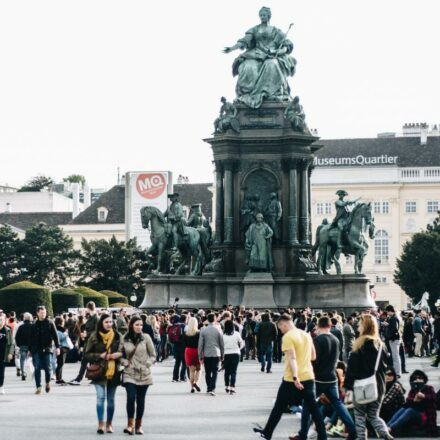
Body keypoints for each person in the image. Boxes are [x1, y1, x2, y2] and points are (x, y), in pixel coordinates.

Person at [253, 314, 327, 440]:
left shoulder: (288, 337)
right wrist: (303, 360)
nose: (280, 330)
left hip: (291, 378)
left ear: (284, 324)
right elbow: (313, 356)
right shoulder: (305, 334)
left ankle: (268, 432)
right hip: (308, 375)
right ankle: (323, 436)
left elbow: (292, 358)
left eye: (280, 327)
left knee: (279, 406)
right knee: (314, 409)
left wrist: (295, 377)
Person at [298, 317, 356, 440]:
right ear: (330, 326)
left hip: (318, 379)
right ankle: (352, 429)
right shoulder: (336, 340)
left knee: (307, 404)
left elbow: (314, 360)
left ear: (319, 326)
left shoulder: (317, 340)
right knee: (338, 404)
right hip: (332, 378)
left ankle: (303, 433)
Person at [344, 314, 392, 440]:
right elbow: (387, 366)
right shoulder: (381, 345)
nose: (358, 327)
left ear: (364, 327)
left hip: (361, 386)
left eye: (359, 324)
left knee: (359, 415)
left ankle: (361, 438)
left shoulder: (358, 345)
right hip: (378, 386)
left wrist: (347, 386)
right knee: (374, 415)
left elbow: (351, 369)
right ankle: (385, 434)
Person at [85, 313, 123, 434]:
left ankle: (109, 424)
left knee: (111, 400)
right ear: (101, 323)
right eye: (106, 322)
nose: (108, 324)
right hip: (99, 371)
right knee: (100, 398)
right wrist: (99, 356)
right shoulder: (94, 336)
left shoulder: (117, 336)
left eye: (110, 322)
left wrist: (119, 354)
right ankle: (100, 423)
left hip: (113, 371)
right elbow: (86, 354)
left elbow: (123, 351)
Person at [121, 316, 156, 435]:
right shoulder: (124, 338)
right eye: (137, 325)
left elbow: (153, 355)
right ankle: (130, 425)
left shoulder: (146, 337)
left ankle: (138, 425)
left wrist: (148, 363)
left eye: (141, 325)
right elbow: (120, 354)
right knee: (131, 397)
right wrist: (123, 361)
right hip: (129, 372)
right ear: (131, 325)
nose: (139, 327)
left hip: (144, 373)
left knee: (140, 400)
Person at [387, 369, 438, 437]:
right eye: (415, 378)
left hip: (425, 417)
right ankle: (387, 427)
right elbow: (407, 402)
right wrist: (414, 400)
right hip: (416, 417)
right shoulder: (413, 390)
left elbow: (434, 398)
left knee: (410, 411)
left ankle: (391, 428)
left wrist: (424, 396)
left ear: (424, 379)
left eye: (420, 378)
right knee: (403, 409)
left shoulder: (429, 388)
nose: (417, 380)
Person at [29, 305, 60, 394]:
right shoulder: (34, 324)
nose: (43, 314)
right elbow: (31, 338)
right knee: (37, 367)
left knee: (48, 367)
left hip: (47, 348)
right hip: (36, 349)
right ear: (37, 313)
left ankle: (47, 382)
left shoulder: (50, 322)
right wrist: (29, 349)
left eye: (44, 312)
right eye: (42, 313)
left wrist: (58, 347)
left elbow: (55, 335)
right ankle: (38, 386)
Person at [69, 301, 98, 385]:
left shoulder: (95, 318)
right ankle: (90, 378)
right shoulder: (92, 317)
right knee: (87, 362)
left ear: (88, 308)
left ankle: (79, 379)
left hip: (92, 343)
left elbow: (96, 331)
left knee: (86, 362)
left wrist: (86, 334)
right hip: (88, 342)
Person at [198, 313, 224, 396]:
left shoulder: (203, 329)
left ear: (207, 320)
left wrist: (200, 355)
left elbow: (200, 344)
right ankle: (212, 388)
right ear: (215, 319)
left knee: (207, 372)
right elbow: (222, 344)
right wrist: (222, 355)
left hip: (206, 353)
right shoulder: (219, 329)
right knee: (215, 371)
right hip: (216, 353)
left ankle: (209, 387)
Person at [223, 319, 244, 394]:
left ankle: (226, 386)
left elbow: (221, 346)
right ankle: (232, 387)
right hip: (235, 353)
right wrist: (239, 348)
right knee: (233, 371)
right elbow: (242, 343)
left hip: (226, 353)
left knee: (227, 371)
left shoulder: (223, 335)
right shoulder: (237, 334)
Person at [184, 317, 201, 393]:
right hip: (197, 351)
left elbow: (184, 344)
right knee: (198, 369)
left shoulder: (186, 333)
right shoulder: (199, 333)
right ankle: (195, 383)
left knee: (191, 371)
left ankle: (192, 386)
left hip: (189, 351)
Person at [14, 312, 33, 381]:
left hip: (23, 345)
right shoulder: (33, 326)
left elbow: (17, 337)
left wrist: (19, 344)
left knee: (22, 359)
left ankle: (23, 373)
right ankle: (33, 371)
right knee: (32, 359)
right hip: (32, 346)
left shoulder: (21, 327)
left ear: (24, 318)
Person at [168, 314, 187, 382]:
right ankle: (182, 377)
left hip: (175, 345)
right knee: (184, 362)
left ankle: (175, 377)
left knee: (177, 362)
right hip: (183, 346)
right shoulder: (183, 326)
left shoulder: (172, 327)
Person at [384, 305, 401, 377]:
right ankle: (397, 372)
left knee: (395, 356)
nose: (387, 313)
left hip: (394, 339)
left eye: (388, 311)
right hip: (394, 339)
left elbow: (395, 329)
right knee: (395, 356)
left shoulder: (394, 318)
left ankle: (397, 373)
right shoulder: (393, 318)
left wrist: (388, 325)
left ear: (391, 311)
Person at [0, 313, 14, 395]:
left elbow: (11, 343)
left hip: (3, 355)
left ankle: (1, 386)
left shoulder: (7, 330)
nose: (0, 321)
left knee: (1, 372)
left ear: (4, 321)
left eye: (2, 320)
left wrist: (10, 353)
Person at [55, 316, 71, 385]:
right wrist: (65, 335)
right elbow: (59, 338)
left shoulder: (59, 329)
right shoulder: (59, 330)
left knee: (60, 363)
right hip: (62, 347)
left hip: (62, 347)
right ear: (61, 322)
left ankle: (59, 378)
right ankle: (58, 378)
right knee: (60, 363)